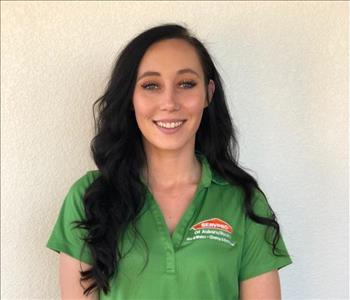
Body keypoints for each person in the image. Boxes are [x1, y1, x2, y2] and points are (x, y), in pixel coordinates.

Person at [46, 23, 293, 300]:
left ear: (208, 94)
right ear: (131, 97)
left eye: (186, 84)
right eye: (151, 85)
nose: (169, 102)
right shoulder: (89, 197)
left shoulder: (243, 201)